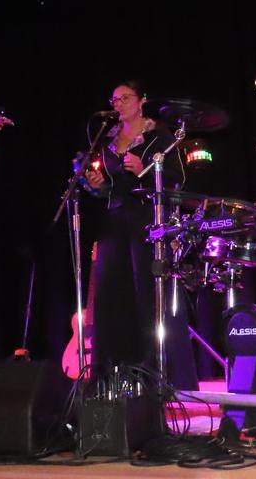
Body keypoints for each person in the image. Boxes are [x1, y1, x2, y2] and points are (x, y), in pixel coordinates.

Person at [84, 81, 198, 390]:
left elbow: (177, 178)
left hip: (146, 220)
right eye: (114, 99)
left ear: (142, 100)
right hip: (113, 220)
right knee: (110, 295)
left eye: (125, 97)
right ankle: (111, 376)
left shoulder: (158, 136)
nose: (118, 103)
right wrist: (95, 184)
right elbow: (107, 187)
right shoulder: (105, 139)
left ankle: (156, 375)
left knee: (146, 294)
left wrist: (144, 166)